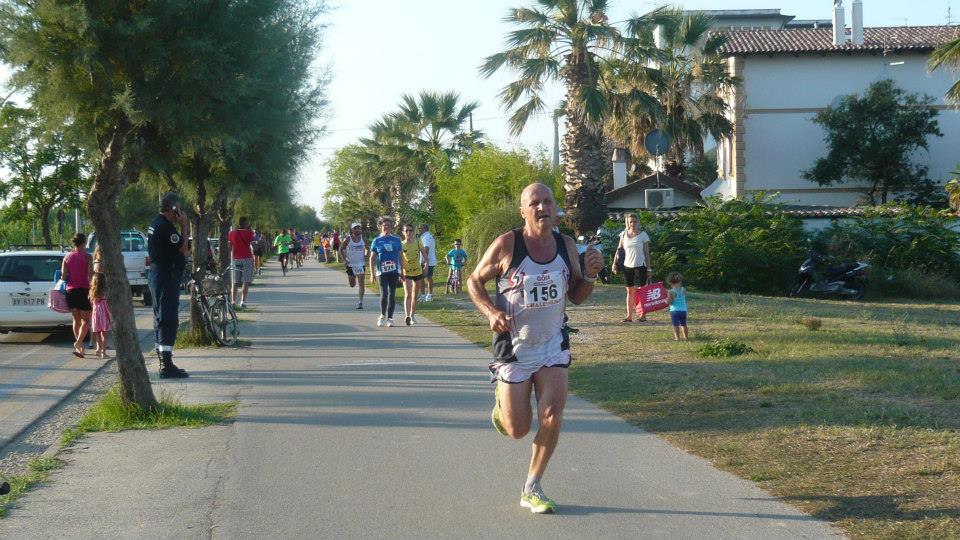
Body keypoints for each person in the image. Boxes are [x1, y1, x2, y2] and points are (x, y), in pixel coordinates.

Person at [467, 182, 603, 514]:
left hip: (552, 345)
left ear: (556, 208)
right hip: (514, 347)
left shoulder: (566, 245)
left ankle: (532, 486)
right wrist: (491, 312)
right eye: (534, 203)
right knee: (518, 429)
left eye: (547, 201)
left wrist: (590, 275)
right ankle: (502, 401)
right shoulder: (507, 244)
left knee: (552, 416)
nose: (542, 208)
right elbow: (474, 280)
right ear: (523, 211)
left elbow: (576, 296)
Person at [147, 192, 190, 378]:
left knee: (160, 317)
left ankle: (163, 360)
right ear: (174, 209)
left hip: (160, 275)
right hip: (166, 276)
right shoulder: (165, 227)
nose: (181, 212)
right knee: (168, 318)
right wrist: (185, 225)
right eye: (179, 208)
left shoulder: (157, 223)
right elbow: (184, 249)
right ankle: (166, 364)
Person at [614, 213, 651, 323]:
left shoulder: (643, 235)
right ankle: (629, 316)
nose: (633, 223)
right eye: (630, 221)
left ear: (638, 222)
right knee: (629, 291)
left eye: (634, 221)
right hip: (627, 266)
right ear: (627, 223)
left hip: (641, 265)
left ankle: (643, 315)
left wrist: (649, 269)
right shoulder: (623, 234)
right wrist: (614, 264)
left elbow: (647, 253)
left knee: (642, 291)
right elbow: (619, 250)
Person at [61, 233, 93, 358]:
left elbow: (63, 276)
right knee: (86, 321)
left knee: (76, 319)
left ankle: (80, 348)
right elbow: (90, 275)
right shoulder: (88, 257)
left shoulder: (67, 257)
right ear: (84, 243)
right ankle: (78, 343)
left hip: (71, 291)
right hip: (84, 290)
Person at [368, 217, 402, 327]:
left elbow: (400, 257)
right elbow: (372, 258)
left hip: (394, 271)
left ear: (391, 227)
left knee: (392, 294)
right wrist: (372, 274)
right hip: (381, 272)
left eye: (388, 225)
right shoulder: (377, 240)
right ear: (381, 227)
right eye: (384, 225)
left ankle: (390, 318)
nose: (386, 227)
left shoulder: (396, 240)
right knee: (384, 294)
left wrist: (402, 271)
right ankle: (382, 315)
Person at [399, 224, 427, 326]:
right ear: (403, 232)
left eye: (410, 230)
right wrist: (400, 272)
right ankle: (407, 316)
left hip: (417, 271)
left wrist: (426, 266)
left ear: (413, 232)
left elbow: (425, 255)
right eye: (406, 231)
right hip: (406, 272)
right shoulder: (401, 244)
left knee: (415, 295)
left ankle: (412, 315)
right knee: (408, 294)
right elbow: (399, 259)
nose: (409, 233)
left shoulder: (418, 242)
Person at [228, 217, 256, 308]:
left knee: (235, 282)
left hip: (235, 259)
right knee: (246, 281)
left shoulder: (232, 233)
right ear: (245, 223)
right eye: (247, 222)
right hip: (247, 258)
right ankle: (243, 302)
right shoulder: (249, 233)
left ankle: (233, 302)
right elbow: (253, 245)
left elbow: (229, 247)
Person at [340, 222, 368, 309]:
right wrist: (345, 260)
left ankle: (360, 302)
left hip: (360, 264)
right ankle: (353, 278)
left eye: (359, 228)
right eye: (355, 228)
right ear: (352, 230)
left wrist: (366, 255)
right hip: (351, 265)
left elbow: (367, 248)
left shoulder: (363, 238)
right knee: (352, 284)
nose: (357, 230)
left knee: (361, 283)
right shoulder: (348, 239)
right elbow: (341, 249)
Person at [88, 272, 112, 359]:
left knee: (97, 333)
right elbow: (108, 303)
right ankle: (103, 352)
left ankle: (98, 349)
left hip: (95, 314)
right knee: (104, 334)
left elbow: (91, 303)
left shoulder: (91, 292)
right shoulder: (105, 292)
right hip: (104, 314)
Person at [667, 272, 689, 340]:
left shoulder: (671, 291)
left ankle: (677, 338)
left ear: (670, 283)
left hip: (674, 311)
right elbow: (684, 296)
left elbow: (670, 303)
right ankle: (686, 337)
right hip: (683, 310)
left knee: (675, 325)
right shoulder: (683, 289)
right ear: (680, 281)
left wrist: (666, 301)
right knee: (684, 324)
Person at [418, 223, 437, 301]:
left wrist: (424, 261)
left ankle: (426, 295)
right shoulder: (429, 236)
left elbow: (426, 249)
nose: (419, 230)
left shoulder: (426, 237)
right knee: (427, 278)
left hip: (426, 261)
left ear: (424, 229)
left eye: (420, 228)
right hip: (429, 260)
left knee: (424, 278)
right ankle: (427, 295)